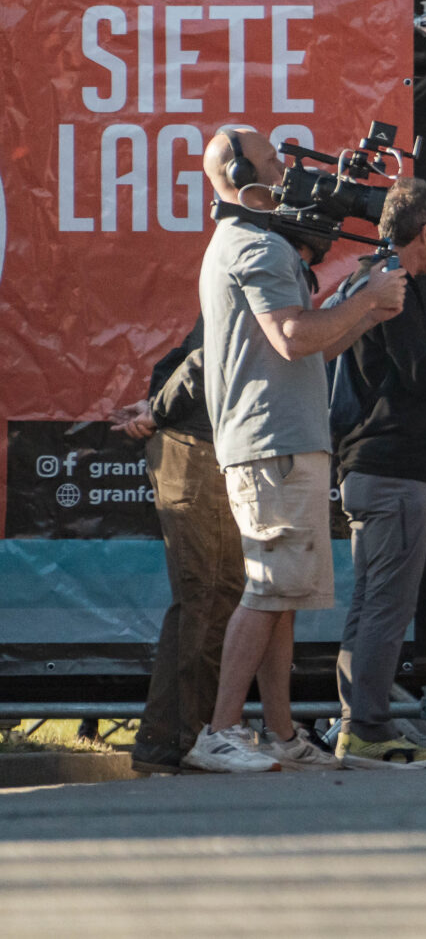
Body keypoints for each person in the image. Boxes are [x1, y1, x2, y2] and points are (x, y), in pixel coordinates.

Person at [188, 126, 406, 774]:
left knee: (281, 595)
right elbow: (292, 337)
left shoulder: (253, 242)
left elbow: (315, 345)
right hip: (272, 442)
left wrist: (364, 310)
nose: (286, 171)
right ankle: (220, 731)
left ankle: (280, 734)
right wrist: (366, 299)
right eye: (271, 161)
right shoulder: (256, 245)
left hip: (282, 439)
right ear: (239, 176)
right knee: (267, 589)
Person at [332, 178, 426, 768]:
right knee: (385, 610)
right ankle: (366, 728)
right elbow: (419, 373)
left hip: (368, 469)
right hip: (390, 471)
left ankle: (358, 723)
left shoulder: (382, 281)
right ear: (424, 232)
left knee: (369, 605)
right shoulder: (392, 286)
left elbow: (402, 362)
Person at [112, 318, 241, 775]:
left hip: (204, 443)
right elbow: (210, 354)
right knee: (208, 596)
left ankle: (169, 740)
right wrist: (160, 409)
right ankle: (193, 738)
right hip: (197, 446)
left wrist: (158, 406)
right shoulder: (255, 272)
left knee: (208, 598)